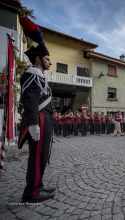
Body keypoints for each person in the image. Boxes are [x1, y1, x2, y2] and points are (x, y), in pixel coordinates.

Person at [18, 44, 55, 203]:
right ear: (38, 59)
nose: (49, 62)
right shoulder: (32, 73)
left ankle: (38, 185)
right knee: (38, 155)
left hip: (43, 118)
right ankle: (32, 192)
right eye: (47, 59)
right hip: (38, 118)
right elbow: (30, 98)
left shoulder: (38, 74)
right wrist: (33, 123)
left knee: (42, 154)